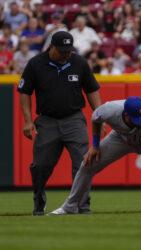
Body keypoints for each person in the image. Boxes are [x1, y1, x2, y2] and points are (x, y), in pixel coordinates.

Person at [49, 96, 141, 215]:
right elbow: (95, 119)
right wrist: (95, 145)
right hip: (120, 138)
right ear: (125, 114)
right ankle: (70, 206)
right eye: (137, 118)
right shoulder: (110, 109)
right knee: (88, 163)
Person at [17, 31, 102, 216]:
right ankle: (38, 198)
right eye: (62, 50)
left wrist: (100, 116)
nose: (66, 54)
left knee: (83, 162)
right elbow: (24, 91)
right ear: (51, 47)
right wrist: (27, 120)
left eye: (68, 50)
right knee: (41, 165)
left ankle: (82, 204)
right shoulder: (36, 63)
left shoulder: (78, 62)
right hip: (47, 121)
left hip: (74, 119)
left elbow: (92, 89)